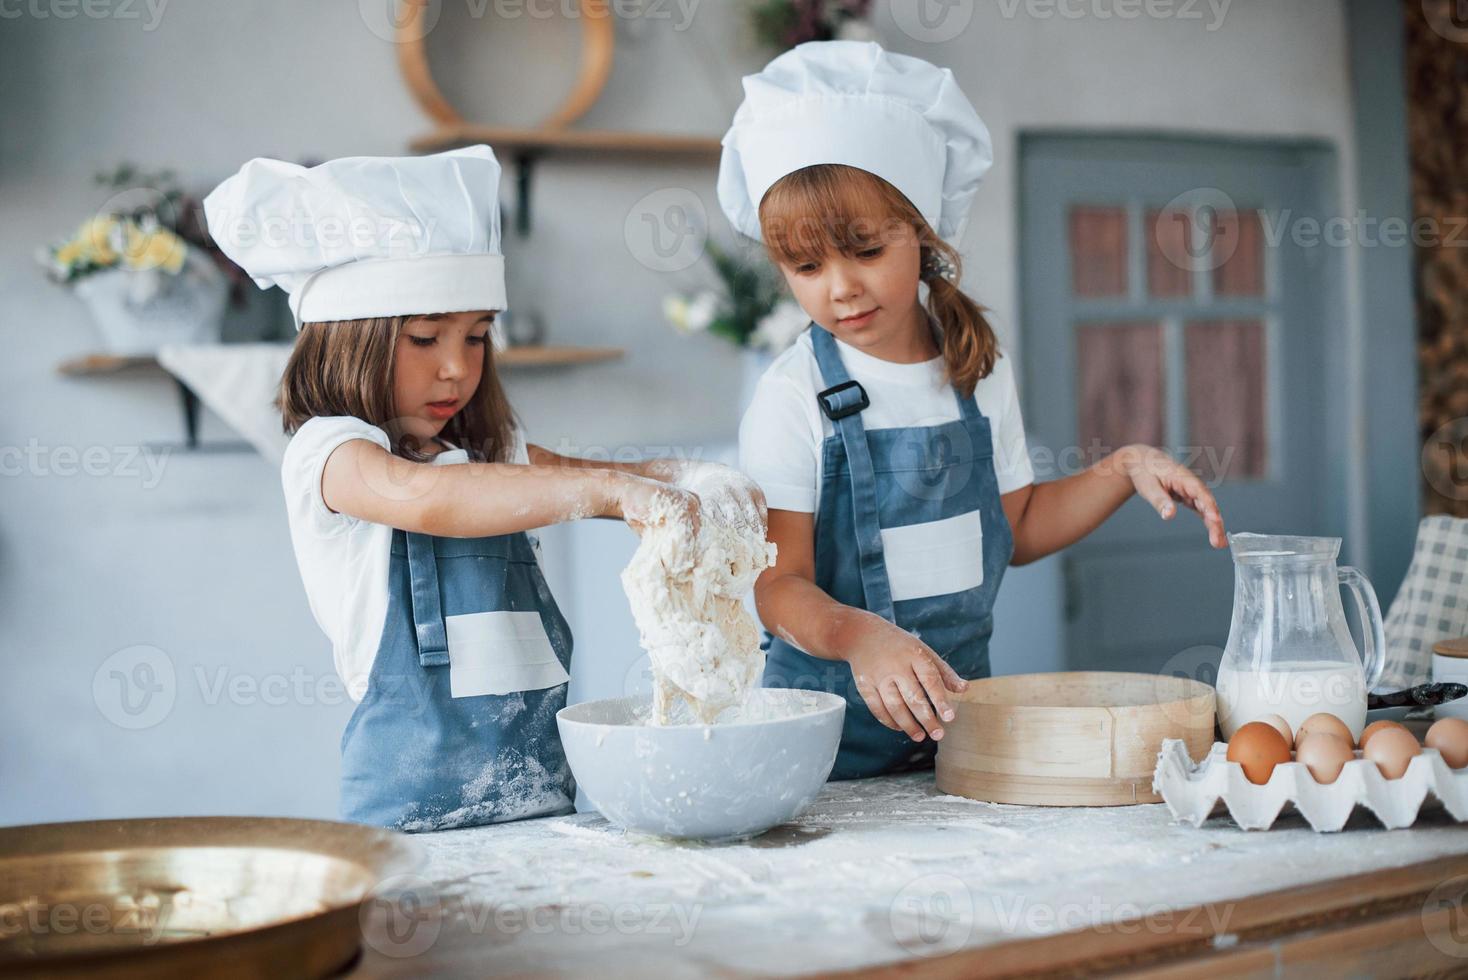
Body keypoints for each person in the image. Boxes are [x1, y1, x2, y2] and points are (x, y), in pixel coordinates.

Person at [204, 146, 764, 830]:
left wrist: (693, 479)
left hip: (543, 802)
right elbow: (430, 499)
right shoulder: (332, 455)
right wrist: (615, 495)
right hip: (410, 821)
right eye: (423, 338)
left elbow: (584, 477)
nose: (455, 369)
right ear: (347, 342)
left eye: (475, 338)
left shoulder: (490, 458)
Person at [721, 42, 1226, 780]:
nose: (839, 288)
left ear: (921, 233)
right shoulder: (793, 395)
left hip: (957, 742)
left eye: (864, 249)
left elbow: (1016, 529)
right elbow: (776, 584)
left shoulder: (976, 368)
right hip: (819, 756)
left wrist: (1121, 469)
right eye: (806, 266)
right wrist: (859, 636)